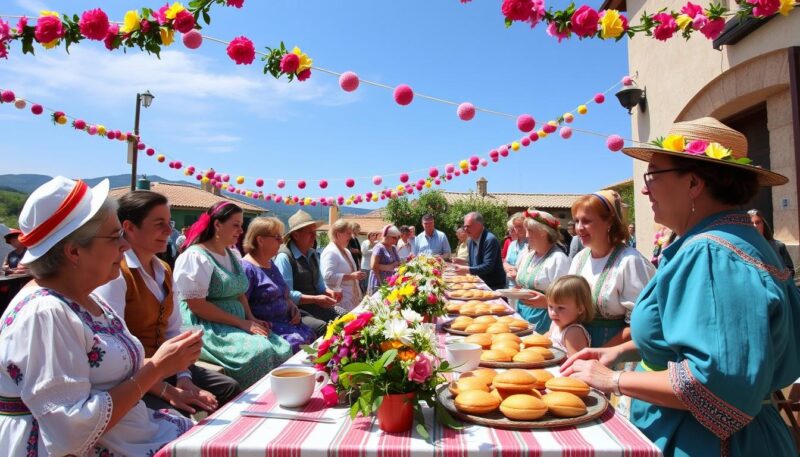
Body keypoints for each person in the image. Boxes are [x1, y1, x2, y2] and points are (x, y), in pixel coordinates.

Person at [562, 117, 800, 456]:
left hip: (711, 443)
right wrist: (621, 352)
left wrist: (612, 379)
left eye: (653, 174)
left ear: (693, 184)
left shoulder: (713, 253)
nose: (644, 188)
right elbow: (705, 341)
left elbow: (717, 383)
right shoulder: (731, 241)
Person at [0, 177, 197, 456]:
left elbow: (104, 369)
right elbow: (70, 432)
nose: (124, 246)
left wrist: (170, 359)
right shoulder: (45, 314)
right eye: (115, 236)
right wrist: (157, 368)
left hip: (133, 437)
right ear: (74, 252)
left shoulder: (87, 299)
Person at [95, 191, 241, 416]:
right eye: (159, 223)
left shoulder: (163, 269)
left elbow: (173, 331)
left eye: (169, 222)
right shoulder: (115, 274)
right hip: (131, 376)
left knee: (228, 388)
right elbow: (115, 356)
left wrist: (184, 378)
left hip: (168, 367)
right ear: (130, 228)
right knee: (181, 413)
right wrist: (168, 391)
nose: (169, 230)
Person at [174, 201, 292, 388]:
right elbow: (197, 306)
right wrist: (242, 322)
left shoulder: (233, 254)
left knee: (282, 347)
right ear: (217, 225)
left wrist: (251, 318)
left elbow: (239, 294)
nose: (240, 230)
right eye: (235, 225)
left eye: (241, 225)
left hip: (236, 321)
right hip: (207, 325)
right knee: (259, 353)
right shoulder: (196, 256)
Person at [569, 190, 655, 348]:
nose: (579, 228)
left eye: (587, 221)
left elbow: (639, 324)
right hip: (579, 346)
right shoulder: (579, 259)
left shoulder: (629, 261)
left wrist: (602, 353)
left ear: (609, 222)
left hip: (614, 352)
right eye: (576, 221)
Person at [241, 217, 316, 353]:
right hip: (267, 326)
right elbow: (241, 300)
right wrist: (252, 321)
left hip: (286, 322)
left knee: (313, 337)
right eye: (277, 237)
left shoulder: (271, 264)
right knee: (299, 344)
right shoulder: (246, 268)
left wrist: (293, 307)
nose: (281, 241)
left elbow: (284, 294)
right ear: (260, 240)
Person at [274, 210, 339, 336]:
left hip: (316, 307)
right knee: (324, 328)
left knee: (346, 317)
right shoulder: (284, 257)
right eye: (310, 232)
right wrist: (315, 299)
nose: (314, 236)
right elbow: (286, 294)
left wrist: (328, 292)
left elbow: (319, 284)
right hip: (296, 312)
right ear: (296, 235)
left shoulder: (313, 254)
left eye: (314, 232)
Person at [514, 210, 570, 332]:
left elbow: (566, 299)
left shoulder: (558, 259)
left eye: (530, 231)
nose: (527, 235)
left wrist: (546, 302)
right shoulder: (529, 255)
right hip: (522, 315)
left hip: (544, 321)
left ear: (543, 233)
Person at [321, 220, 365, 313]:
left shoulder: (346, 251)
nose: (351, 236)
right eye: (348, 233)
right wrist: (352, 276)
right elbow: (328, 276)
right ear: (338, 234)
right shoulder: (330, 252)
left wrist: (356, 276)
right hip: (341, 301)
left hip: (352, 298)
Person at [454, 212, 507, 290]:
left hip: (493, 286)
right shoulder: (470, 240)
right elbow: (474, 263)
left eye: (468, 226)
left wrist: (466, 269)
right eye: (464, 226)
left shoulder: (490, 240)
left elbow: (487, 266)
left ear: (479, 225)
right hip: (478, 284)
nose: (465, 229)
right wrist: (463, 261)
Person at [544, 275, 594, 356]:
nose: (553, 312)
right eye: (550, 306)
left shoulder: (573, 332)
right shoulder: (555, 324)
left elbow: (577, 361)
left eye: (560, 308)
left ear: (580, 309)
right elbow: (546, 338)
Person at [368, 225, 402, 293]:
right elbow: (373, 266)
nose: (396, 240)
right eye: (394, 238)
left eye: (397, 238)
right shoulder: (379, 247)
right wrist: (381, 283)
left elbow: (398, 262)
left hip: (390, 283)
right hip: (379, 283)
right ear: (386, 236)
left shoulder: (393, 248)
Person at [503, 213, 527, 287]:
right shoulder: (512, 244)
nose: (518, 229)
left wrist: (516, 271)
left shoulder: (531, 245)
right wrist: (507, 268)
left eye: (520, 226)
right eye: (516, 227)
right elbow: (506, 261)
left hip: (521, 286)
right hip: (509, 283)